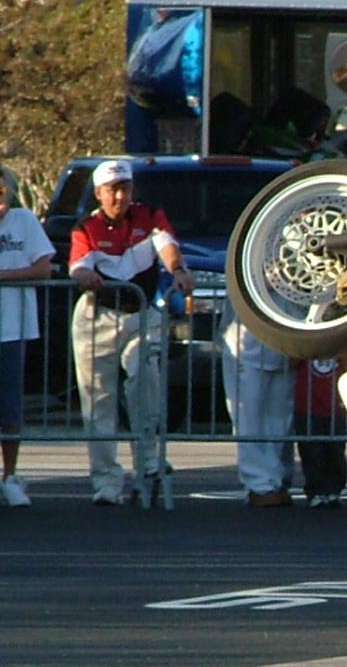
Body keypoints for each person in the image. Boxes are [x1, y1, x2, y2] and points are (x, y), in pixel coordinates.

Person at [68, 160, 194, 505]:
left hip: (140, 313)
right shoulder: (87, 226)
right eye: (112, 190)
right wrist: (85, 277)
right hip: (98, 317)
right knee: (98, 402)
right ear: (99, 194)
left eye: (124, 189)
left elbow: (166, 244)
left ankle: (149, 458)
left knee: (144, 374)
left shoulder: (148, 215)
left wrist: (178, 269)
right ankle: (106, 482)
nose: (119, 197)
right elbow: (78, 265)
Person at [0, 171, 54, 507]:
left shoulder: (24, 221)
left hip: (12, 328)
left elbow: (43, 268)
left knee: (9, 408)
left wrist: (3, 276)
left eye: (3, 192)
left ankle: (10, 476)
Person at [219, 299, 295, 507]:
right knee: (251, 416)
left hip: (283, 344)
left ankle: (274, 480)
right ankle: (262, 483)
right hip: (249, 347)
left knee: (278, 416)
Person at [294, 355, 347, 508]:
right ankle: (315, 491)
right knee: (311, 449)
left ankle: (334, 490)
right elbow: (292, 361)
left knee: (336, 449)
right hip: (307, 403)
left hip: (335, 403)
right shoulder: (304, 347)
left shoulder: (341, 347)